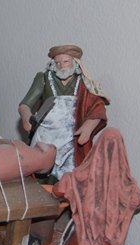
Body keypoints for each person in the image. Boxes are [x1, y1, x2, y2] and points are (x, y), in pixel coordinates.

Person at [18, 44, 109, 182]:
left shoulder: (84, 83)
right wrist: (26, 117)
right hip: (46, 134)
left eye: (66, 61)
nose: (62, 66)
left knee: (70, 173)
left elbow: (97, 108)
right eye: (58, 63)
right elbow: (25, 104)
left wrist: (88, 127)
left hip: (70, 136)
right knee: (40, 168)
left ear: (75, 62)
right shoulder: (44, 79)